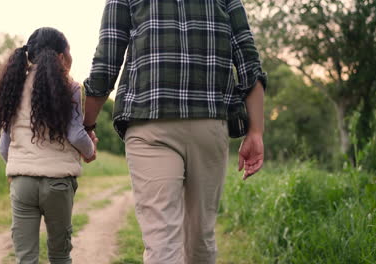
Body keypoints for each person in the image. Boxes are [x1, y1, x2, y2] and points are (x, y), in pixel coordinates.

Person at [83, 0, 266, 263]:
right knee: (200, 237)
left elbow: (106, 62)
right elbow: (249, 60)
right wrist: (256, 131)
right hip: (209, 121)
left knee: (161, 240)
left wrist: (87, 125)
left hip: (148, 121)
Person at [0, 27, 97, 264]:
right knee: (60, 256)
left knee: (25, 258)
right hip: (58, 184)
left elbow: (4, 146)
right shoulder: (71, 88)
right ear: (60, 57)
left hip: (22, 183)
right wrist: (90, 150)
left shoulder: (13, 87)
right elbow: (75, 134)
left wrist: (18, 166)